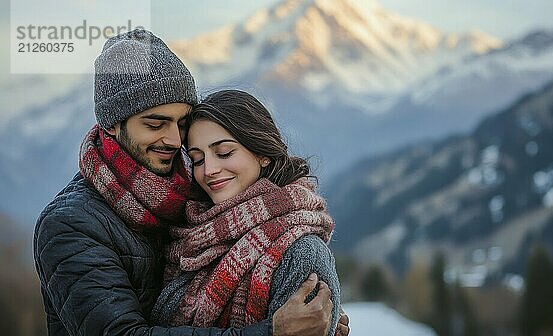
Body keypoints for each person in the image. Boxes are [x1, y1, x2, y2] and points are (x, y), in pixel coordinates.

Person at [33, 29, 348, 336]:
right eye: (156, 124)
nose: (172, 140)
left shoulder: (197, 206)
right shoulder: (71, 224)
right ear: (113, 124)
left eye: (181, 124)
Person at [151, 90, 342, 336]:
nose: (209, 170)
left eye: (224, 153)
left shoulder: (301, 251)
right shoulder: (190, 238)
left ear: (262, 153)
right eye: (198, 159)